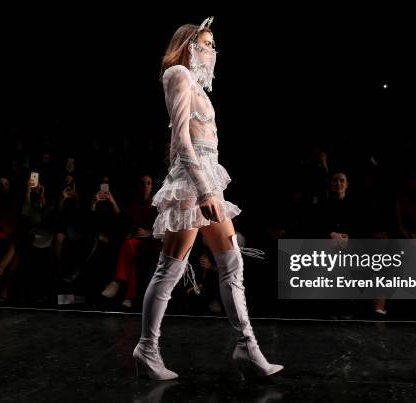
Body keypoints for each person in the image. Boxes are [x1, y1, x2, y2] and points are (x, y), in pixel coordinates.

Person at [133, 17, 283, 381]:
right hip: (192, 182)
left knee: (231, 261)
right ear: (189, 46)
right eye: (207, 44)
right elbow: (182, 139)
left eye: (214, 45)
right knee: (170, 268)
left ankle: (247, 345)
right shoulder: (178, 76)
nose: (213, 50)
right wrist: (201, 190)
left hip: (207, 178)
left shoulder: (198, 86)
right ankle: (147, 348)